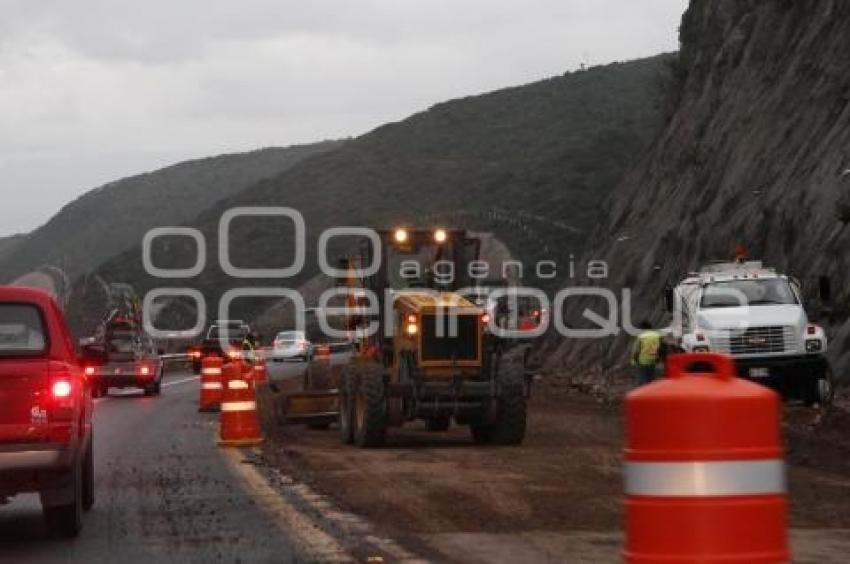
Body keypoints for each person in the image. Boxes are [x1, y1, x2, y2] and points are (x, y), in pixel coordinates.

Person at [631, 320, 661, 385]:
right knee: (651, 377)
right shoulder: (657, 335)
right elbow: (660, 347)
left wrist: (633, 359)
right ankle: (651, 391)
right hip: (653, 358)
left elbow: (636, 349)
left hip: (642, 359)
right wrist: (658, 357)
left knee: (642, 377)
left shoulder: (641, 336)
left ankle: (643, 391)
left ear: (643, 328)